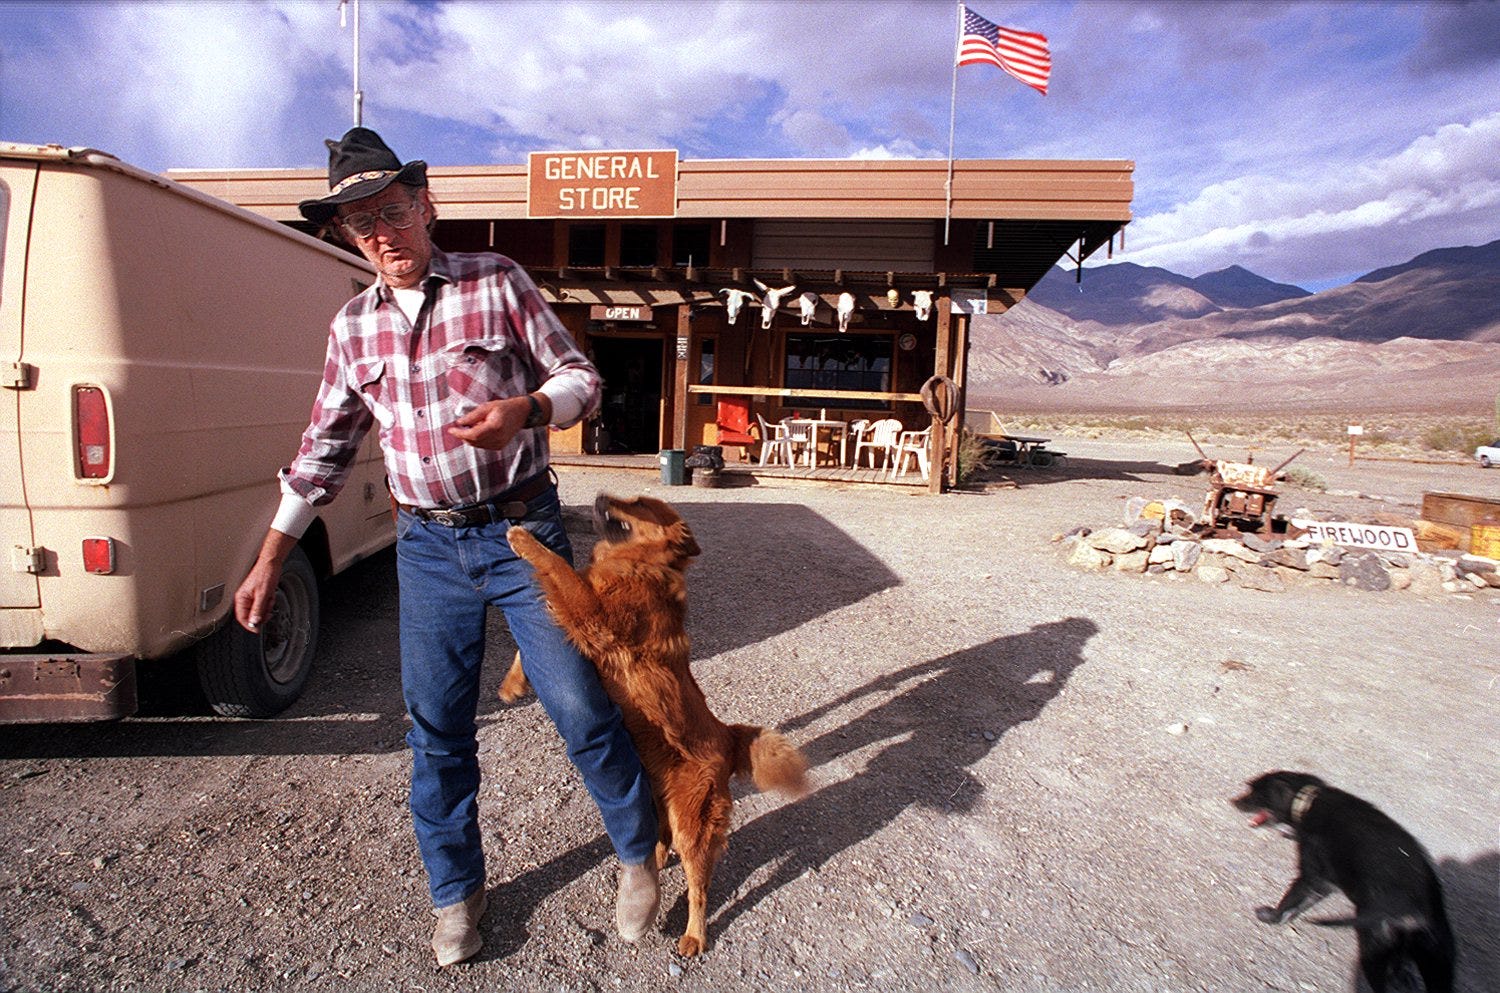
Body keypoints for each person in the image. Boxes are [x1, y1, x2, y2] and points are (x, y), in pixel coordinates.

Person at [233, 127, 660, 967]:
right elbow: (322, 448)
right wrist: (272, 557)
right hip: (426, 549)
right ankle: (455, 894)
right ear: (348, 237)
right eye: (363, 224)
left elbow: (580, 377)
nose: (384, 233)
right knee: (436, 728)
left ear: (427, 206)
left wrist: (527, 410)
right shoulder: (351, 328)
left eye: (395, 210)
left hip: (520, 533)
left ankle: (638, 856)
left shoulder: (495, 282)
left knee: (576, 702)